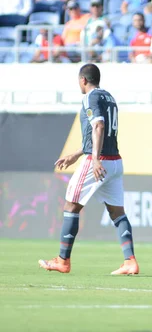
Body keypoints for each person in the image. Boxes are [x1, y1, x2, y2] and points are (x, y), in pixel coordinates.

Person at [38, 64, 139, 275]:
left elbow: (99, 127)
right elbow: (99, 132)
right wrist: (77, 154)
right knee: (117, 213)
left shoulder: (89, 98)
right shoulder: (109, 97)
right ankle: (130, 261)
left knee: (71, 205)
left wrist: (93, 159)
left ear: (83, 80)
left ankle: (62, 260)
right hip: (115, 161)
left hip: (99, 161)